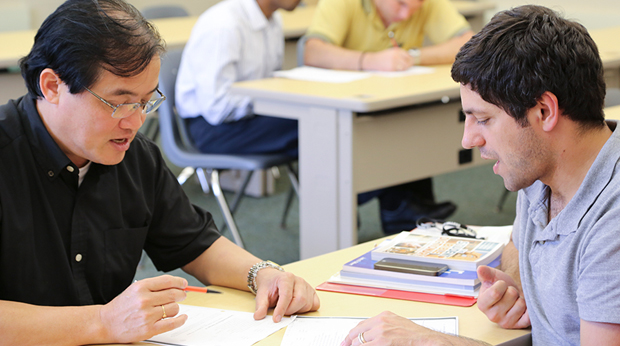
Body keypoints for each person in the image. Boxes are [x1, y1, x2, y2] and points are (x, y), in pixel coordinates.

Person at [0, 0, 320, 344]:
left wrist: (264, 274)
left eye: (145, 102)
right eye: (119, 102)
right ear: (52, 87)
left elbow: (195, 244)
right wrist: (102, 321)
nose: (135, 122)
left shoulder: (134, 157)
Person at [340, 5, 620, 346]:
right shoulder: (544, 170)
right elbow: (518, 243)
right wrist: (516, 289)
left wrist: (430, 341)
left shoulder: (612, 223)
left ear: (544, 111)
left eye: (483, 119)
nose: (468, 139)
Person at [176, 0, 458, 235]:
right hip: (213, 131)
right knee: (321, 123)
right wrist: (280, 96)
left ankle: (390, 206)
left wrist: (282, 94)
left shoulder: (271, 22)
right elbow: (216, 106)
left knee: (333, 119)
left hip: (250, 117)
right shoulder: (224, 24)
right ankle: (361, 206)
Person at [300, 0, 472, 232]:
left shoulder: (424, 3)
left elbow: (469, 44)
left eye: (416, 5)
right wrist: (370, 61)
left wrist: (412, 56)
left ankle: (405, 208)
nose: (409, 12)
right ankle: (403, 208)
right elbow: (313, 51)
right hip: (343, 112)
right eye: (400, 4)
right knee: (389, 131)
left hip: (393, 103)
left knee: (414, 118)